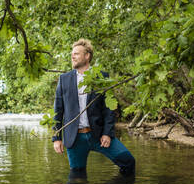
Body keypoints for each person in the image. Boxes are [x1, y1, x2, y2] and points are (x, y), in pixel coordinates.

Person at [52, 39, 136, 175]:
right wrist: (56, 138)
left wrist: (107, 133)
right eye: (72, 54)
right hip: (74, 138)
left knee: (128, 162)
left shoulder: (101, 77)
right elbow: (58, 110)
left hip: (98, 135)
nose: (72, 56)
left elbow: (109, 110)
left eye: (76, 54)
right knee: (77, 178)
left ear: (87, 56)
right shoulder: (64, 79)